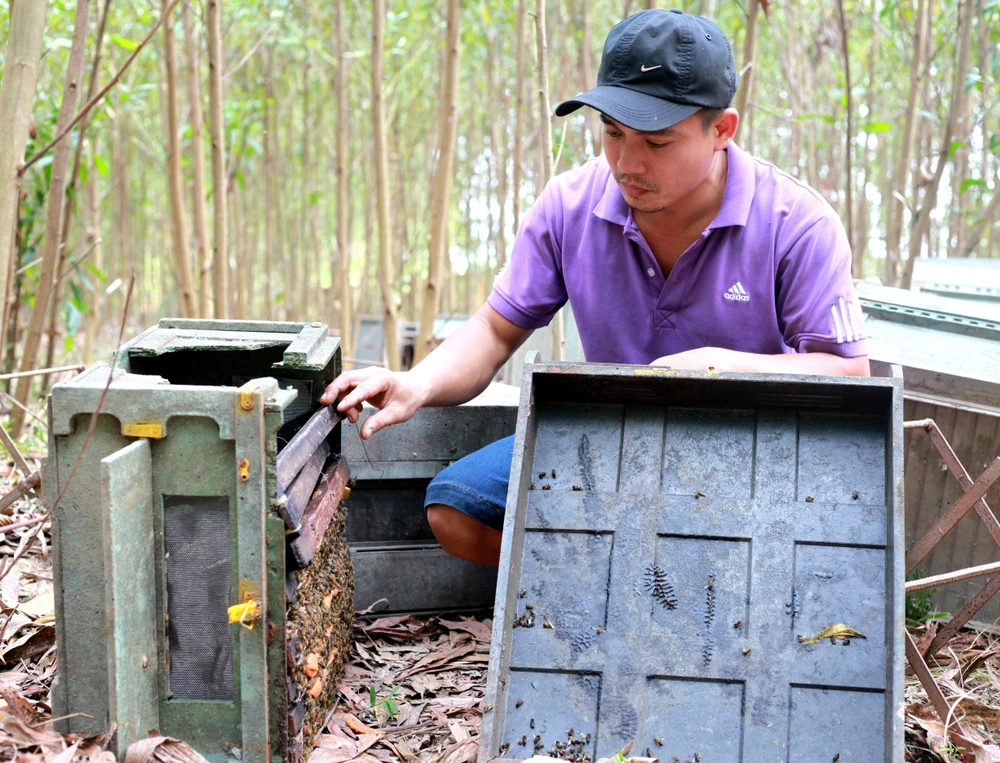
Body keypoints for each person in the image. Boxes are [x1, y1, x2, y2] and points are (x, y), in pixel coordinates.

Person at [321, 9, 869, 568]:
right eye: (612, 133)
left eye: (657, 143)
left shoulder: (796, 222)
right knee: (456, 513)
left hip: (748, 451)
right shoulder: (570, 205)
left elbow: (849, 374)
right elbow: (493, 329)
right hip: (610, 441)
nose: (627, 164)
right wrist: (416, 382)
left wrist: (713, 368)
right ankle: (606, 593)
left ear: (722, 131)